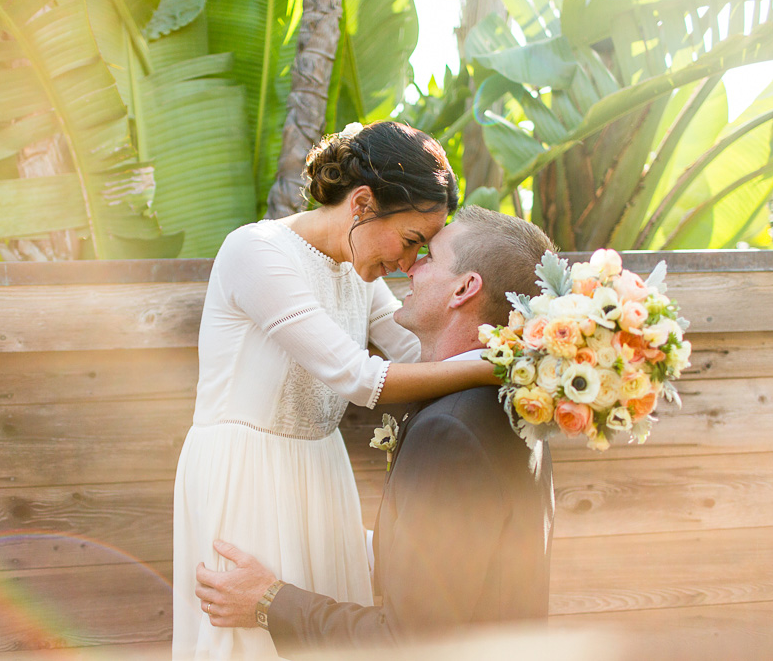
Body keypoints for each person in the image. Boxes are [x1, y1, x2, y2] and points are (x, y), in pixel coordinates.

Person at [173, 122, 499, 659]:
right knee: (251, 640)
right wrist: (493, 367)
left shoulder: (355, 274)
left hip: (321, 475)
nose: (406, 263)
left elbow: (416, 355)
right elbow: (359, 377)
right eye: (411, 240)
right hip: (245, 473)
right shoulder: (256, 252)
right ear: (365, 203)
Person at [194, 206, 557, 655]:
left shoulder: (451, 431)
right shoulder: (510, 406)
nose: (409, 265)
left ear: (464, 288)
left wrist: (269, 602)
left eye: (428, 256)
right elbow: (452, 571)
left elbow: (405, 639)